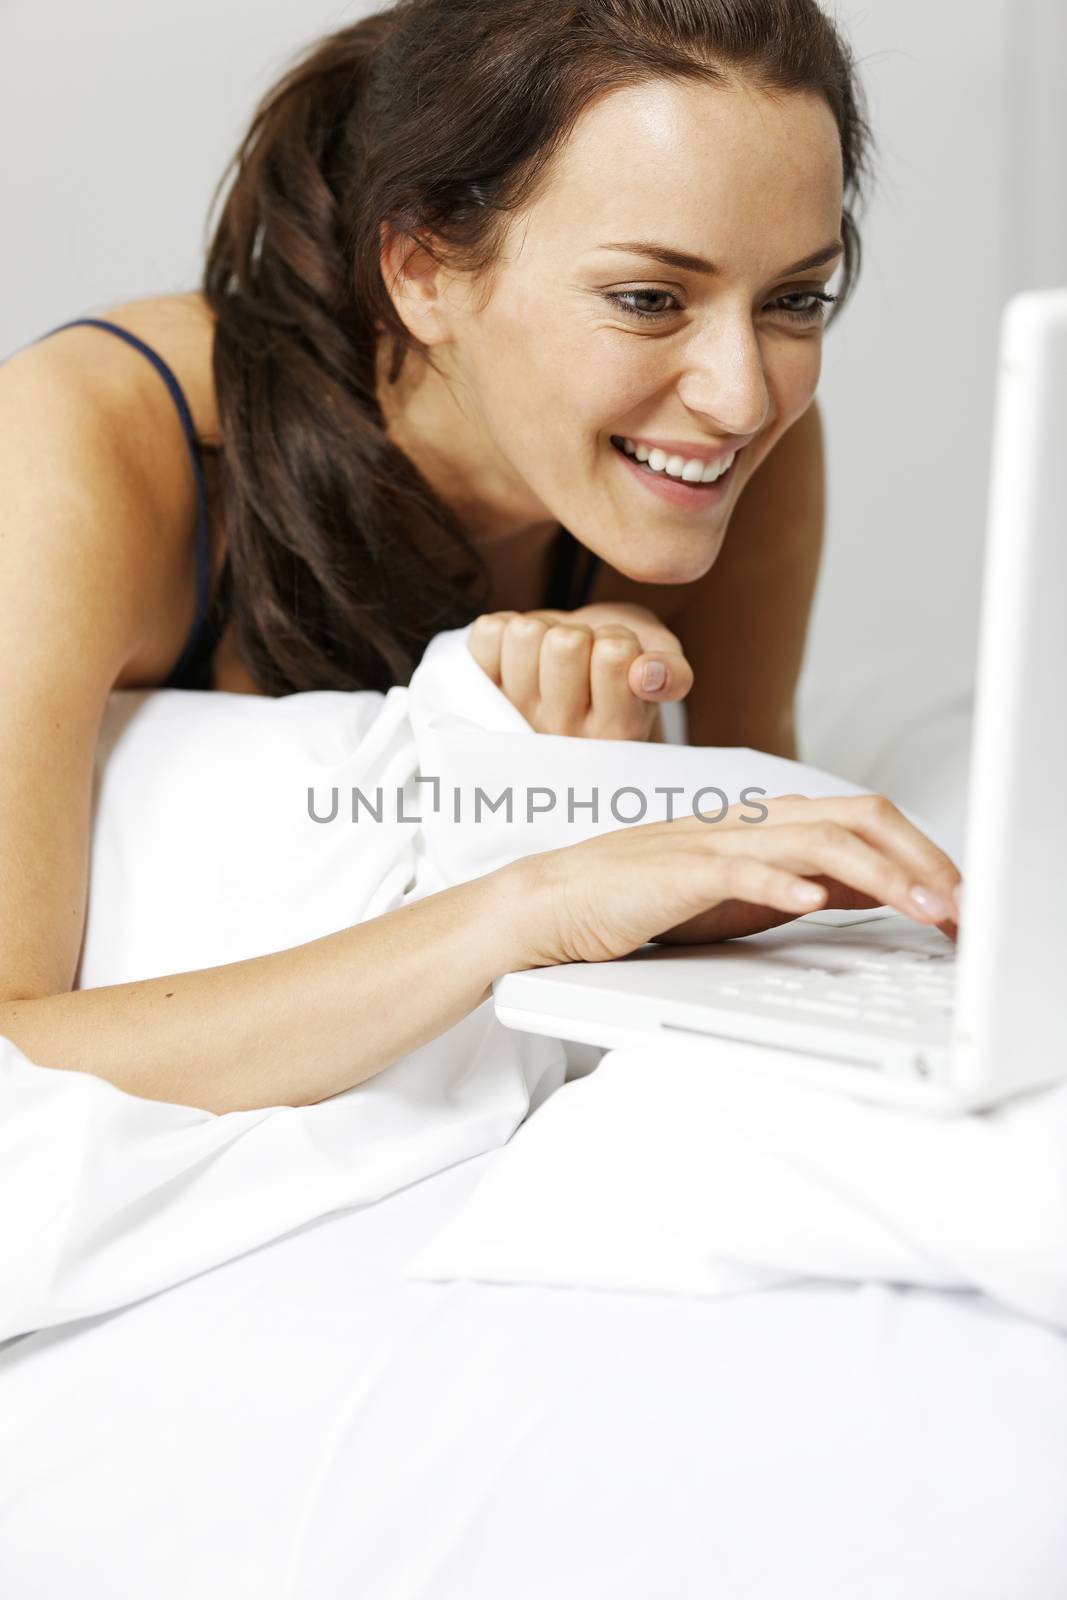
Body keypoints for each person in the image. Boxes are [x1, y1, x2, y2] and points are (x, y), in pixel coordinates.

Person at [0, 0, 961, 1114]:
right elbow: (15, 1038)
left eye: (794, 299)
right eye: (648, 299)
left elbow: (739, 863)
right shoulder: (85, 448)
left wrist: (613, 803)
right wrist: (529, 900)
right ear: (420, 270)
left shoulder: (728, 447)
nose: (741, 395)